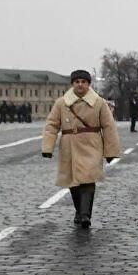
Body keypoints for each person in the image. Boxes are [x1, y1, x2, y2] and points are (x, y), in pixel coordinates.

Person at [41, 69, 122, 229]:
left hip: (91, 144)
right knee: (74, 182)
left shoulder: (98, 102)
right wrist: (47, 147)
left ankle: (85, 214)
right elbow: (51, 126)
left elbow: (108, 127)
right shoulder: (61, 103)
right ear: (72, 84)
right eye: (77, 82)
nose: (80, 85)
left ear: (88, 84)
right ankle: (79, 210)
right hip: (69, 145)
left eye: (83, 82)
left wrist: (111, 152)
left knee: (88, 178)